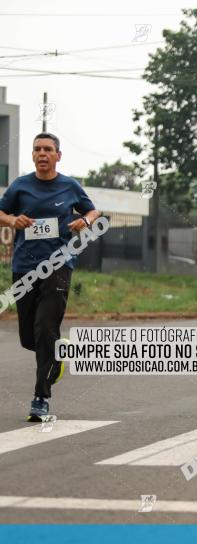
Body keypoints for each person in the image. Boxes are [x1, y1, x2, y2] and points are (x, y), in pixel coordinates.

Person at [0, 133, 102, 421]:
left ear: (58, 155)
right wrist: (11, 220)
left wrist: (85, 220)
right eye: (37, 149)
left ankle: (41, 398)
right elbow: (1, 211)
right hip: (24, 267)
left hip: (59, 264)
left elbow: (93, 210)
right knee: (28, 338)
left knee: (45, 329)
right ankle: (57, 354)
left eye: (48, 149)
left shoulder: (69, 186)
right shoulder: (20, 186)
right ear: (32, 156)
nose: (42, 153)